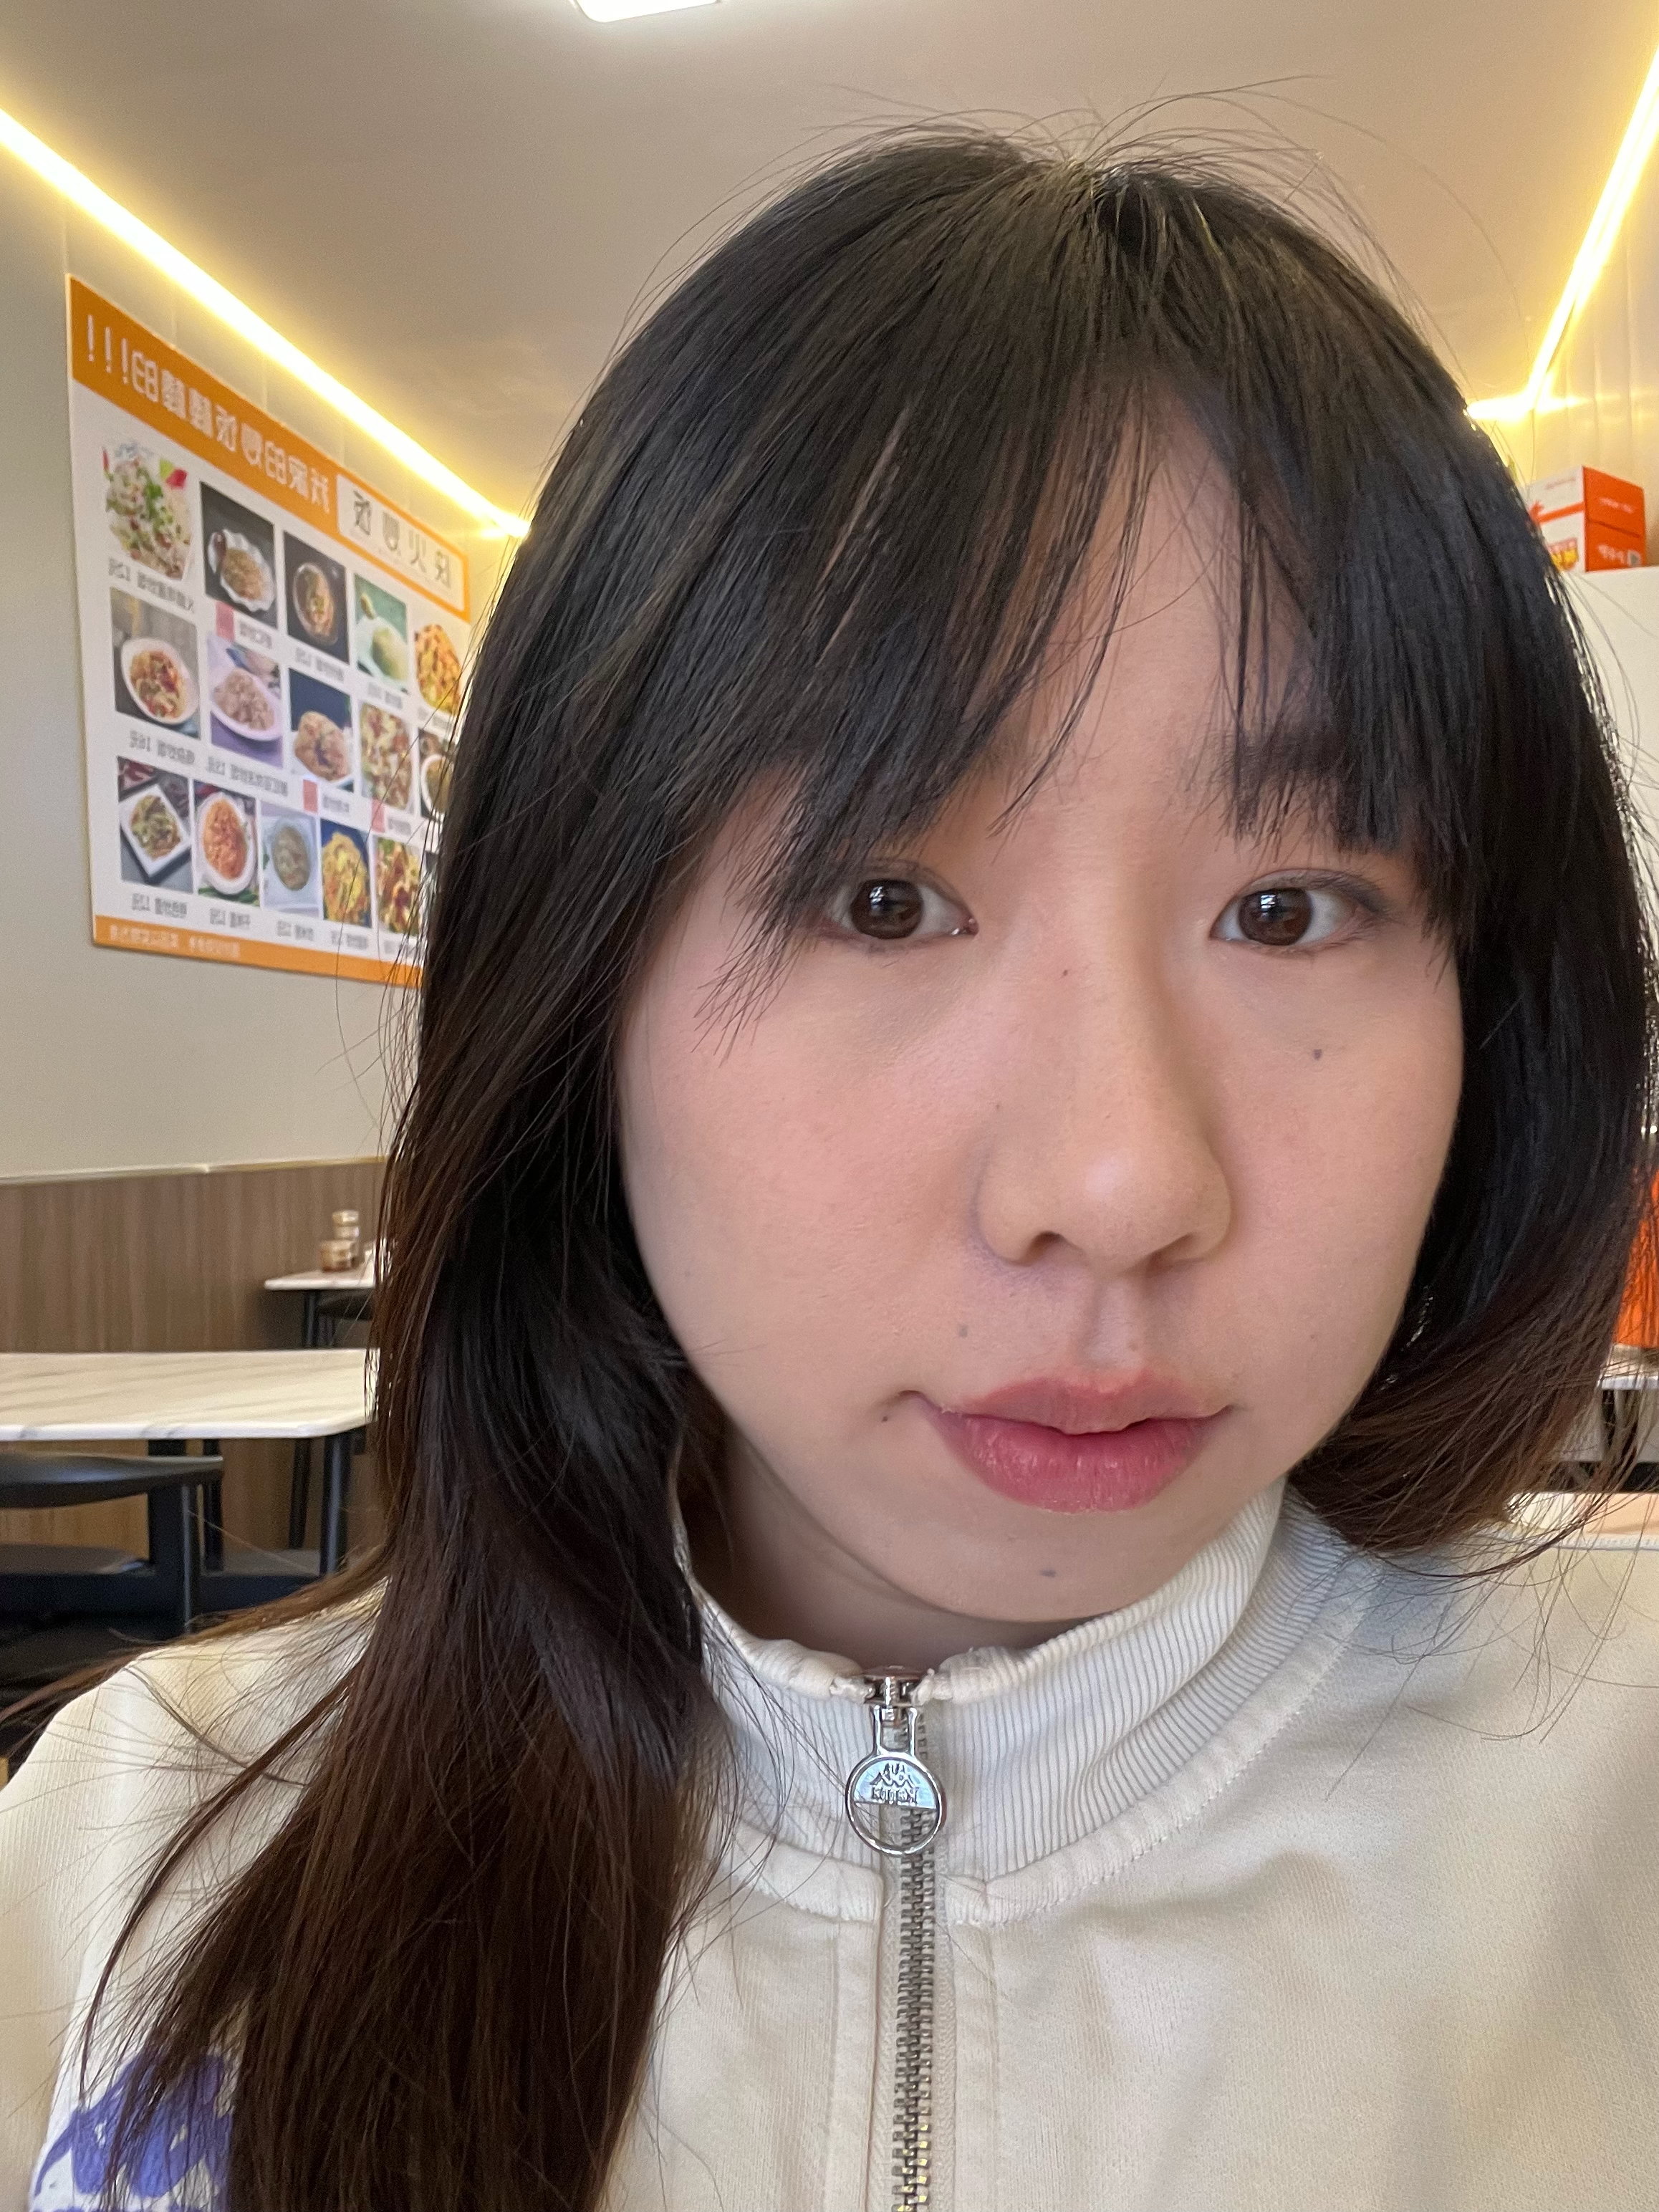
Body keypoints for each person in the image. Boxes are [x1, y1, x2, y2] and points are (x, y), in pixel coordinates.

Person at [4, 131, 1658, 2212]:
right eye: (882, 900)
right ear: (575, 974)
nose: (1118, 1184)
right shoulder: (129, 1856)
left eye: (1288, 909)